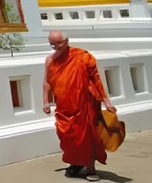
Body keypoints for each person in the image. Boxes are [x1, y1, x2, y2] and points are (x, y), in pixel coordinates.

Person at [43, 31, 116, 181]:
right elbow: (47, 82)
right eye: (52, 44)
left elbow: (96, 79)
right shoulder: (50, 59)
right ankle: (76, 163)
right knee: (68, 137)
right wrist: (45, 101)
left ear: (67, 40)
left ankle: (90, 168)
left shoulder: (82, 56)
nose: (55, 47)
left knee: (88, 136)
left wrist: (106, 101)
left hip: (84, 103)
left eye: (59, 43)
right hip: (64, 106)